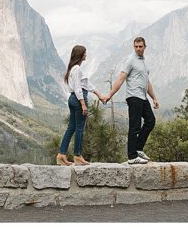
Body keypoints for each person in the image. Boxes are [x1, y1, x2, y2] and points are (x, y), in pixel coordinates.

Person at [102, 36, 159, 165]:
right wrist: (109, 95)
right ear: (134, 47)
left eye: (140, 46)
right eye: (136, 47)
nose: (138, 49)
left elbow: (147, 82)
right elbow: (121, 78)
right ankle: (132, 156)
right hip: (133, 97)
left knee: (151, 121)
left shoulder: (143, 62)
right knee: (135, 126)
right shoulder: (130, 60)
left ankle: (138, 148)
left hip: (143, 97)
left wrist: (154, 98)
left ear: (145, 47)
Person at [56, 45, 104, 166]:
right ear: (80, 55)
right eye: (85, 53)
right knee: (79, 128)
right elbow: (78, 87)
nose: (86, 55)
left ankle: (61, 155)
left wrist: (99, 95)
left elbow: (87, 84)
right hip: (78, 99)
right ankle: (77, 155)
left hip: (72, 98)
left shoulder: (73, 68)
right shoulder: (77, 68)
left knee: (71, 127)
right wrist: (83, 104)